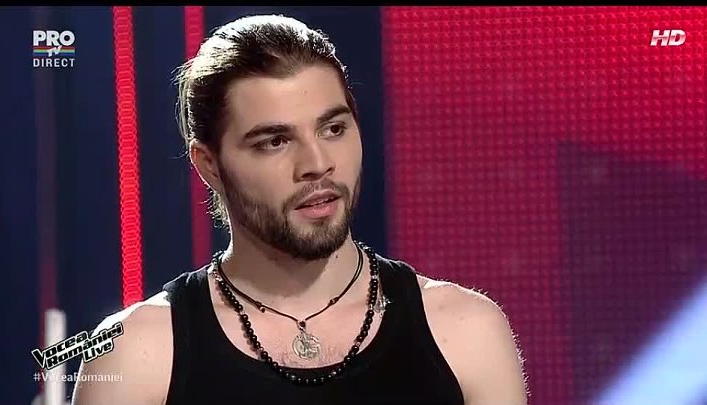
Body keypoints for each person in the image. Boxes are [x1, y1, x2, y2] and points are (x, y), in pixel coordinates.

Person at [71, 14, 527, 405]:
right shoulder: (136, 356)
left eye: (333, 129)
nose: (317, 164)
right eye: (275, 141)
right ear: (209, 165)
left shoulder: (465, 333)